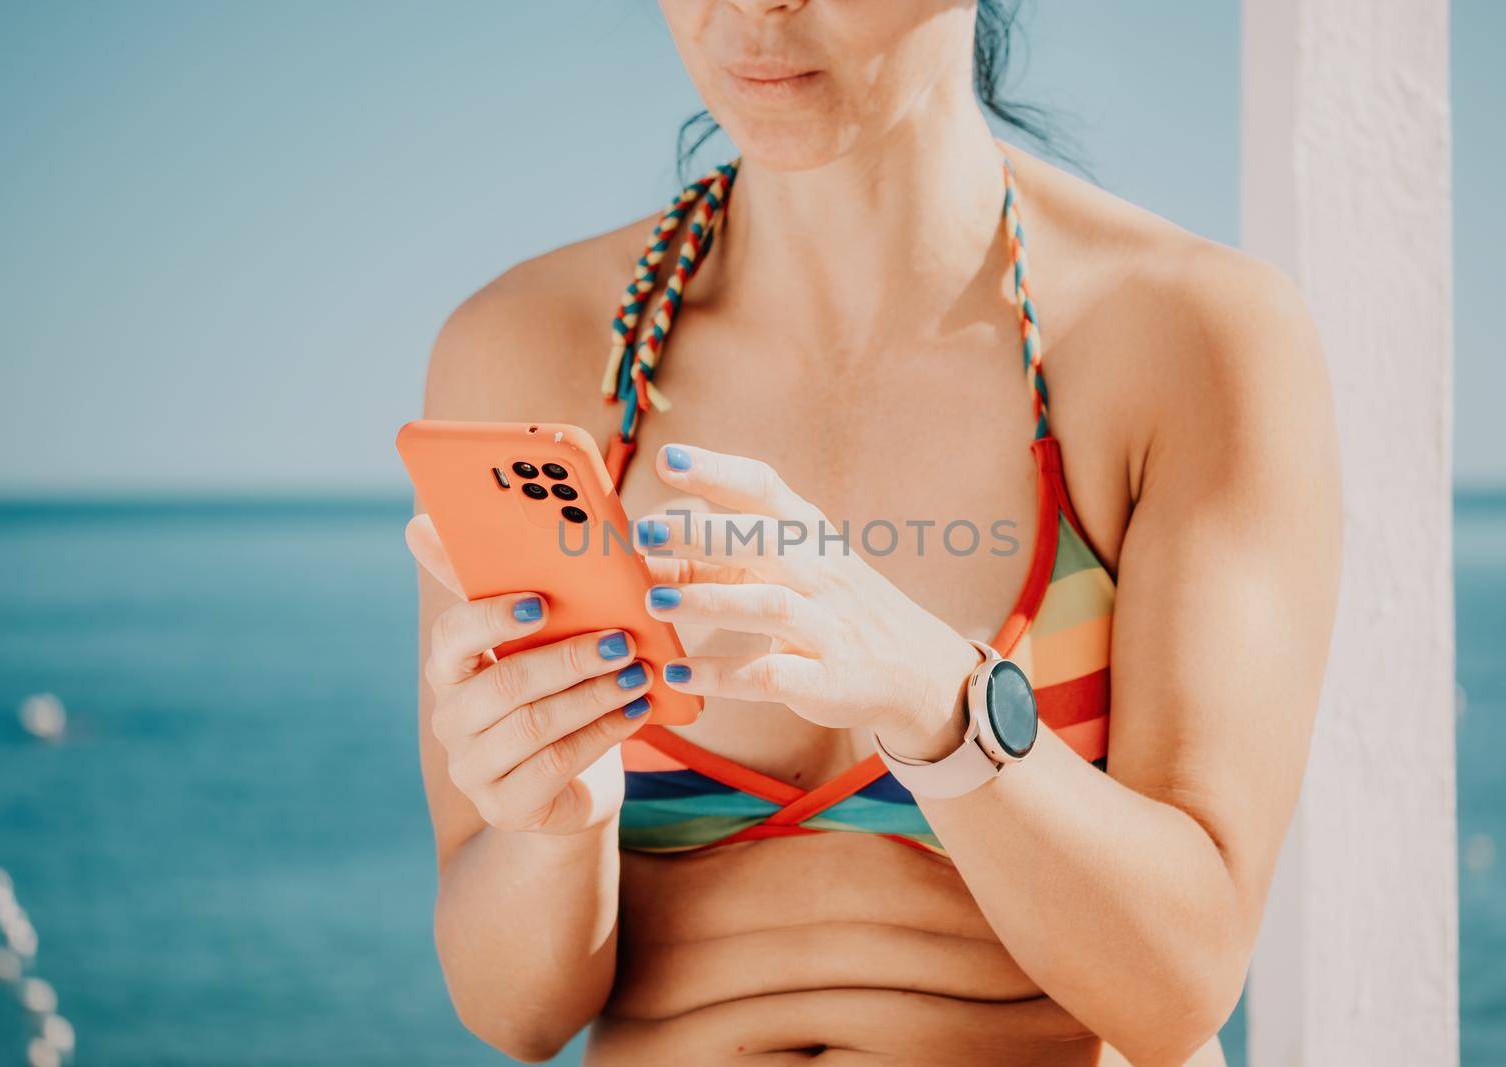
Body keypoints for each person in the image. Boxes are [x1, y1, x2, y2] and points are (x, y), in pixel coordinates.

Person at [405, 2, 1341, 1063]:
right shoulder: (528, 347)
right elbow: (515, 1013)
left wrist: (938, 703)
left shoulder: (1186, 334)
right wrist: (554, 823)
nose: (757, 6)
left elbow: (1181, 982)